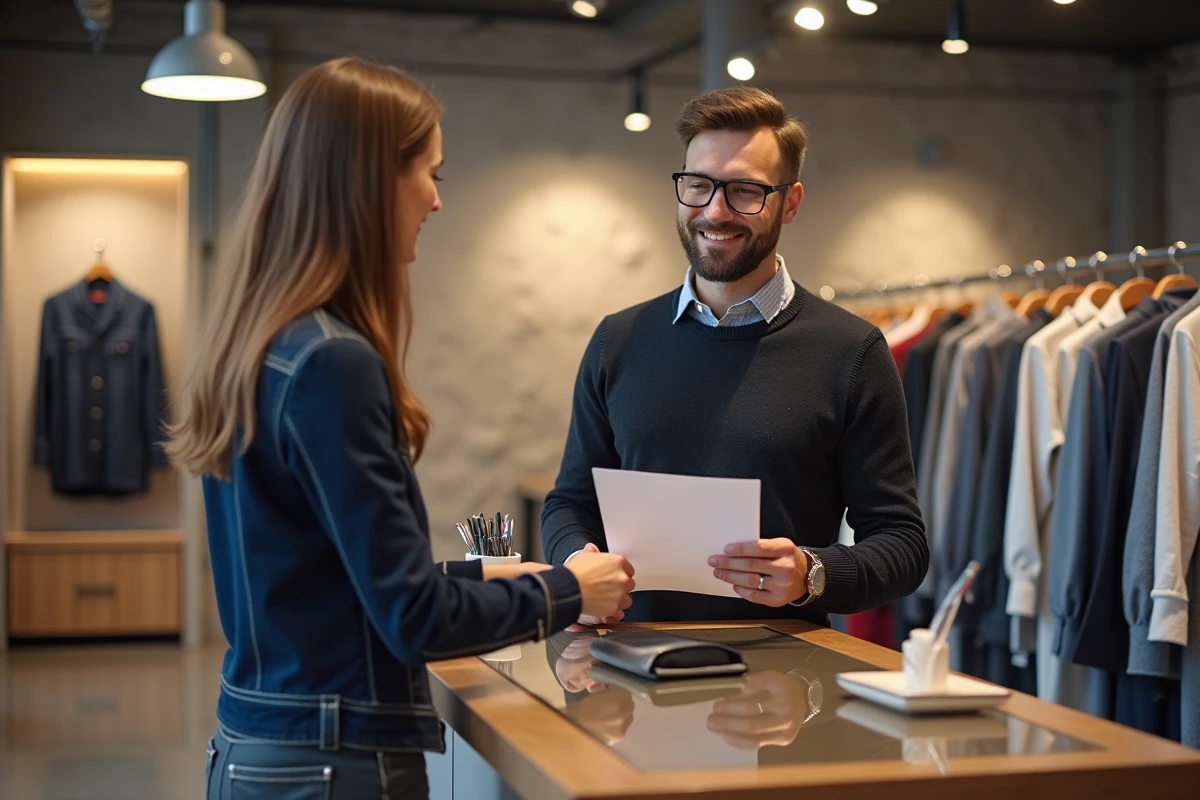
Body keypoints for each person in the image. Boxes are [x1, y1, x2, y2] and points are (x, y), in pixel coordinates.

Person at [166, 57, 635, 800]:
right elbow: (412, 621)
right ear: (368, 181)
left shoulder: (265, 343)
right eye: (433, 174)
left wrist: (478, 575)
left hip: (259, 749)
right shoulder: (334, 364)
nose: (436, 202)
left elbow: (316, 579)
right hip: (334, 767)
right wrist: (568, 591)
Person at [542, 86, 927, 626]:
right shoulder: (617, 341)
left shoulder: (851, 352)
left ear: (789, 202)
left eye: (745, 190)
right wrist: (575, 564)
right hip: (626, 668)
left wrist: (812, 572)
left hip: (785, 682)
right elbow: (570, 503)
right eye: (698, 185)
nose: (716, 211)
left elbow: (903, 545)